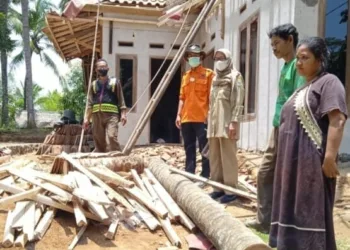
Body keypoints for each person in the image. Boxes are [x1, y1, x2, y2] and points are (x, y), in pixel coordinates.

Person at [269, 37, 347, 250]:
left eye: (305, 58)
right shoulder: (302, 88)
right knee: (292, 210)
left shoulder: (329, 82)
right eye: (298, 58)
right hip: (291, 163)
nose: (300, 63)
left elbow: (337, 119)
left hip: (312, 163)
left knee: (310, 210)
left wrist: (330, 157)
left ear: (320, 60)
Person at [246, 23, 305, 232]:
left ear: (290, 40)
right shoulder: (286, 66)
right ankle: (266, 221)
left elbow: (299, 101)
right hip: (278, 126)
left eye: (277, 43)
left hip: (290, 129)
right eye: (271, 45)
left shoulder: (298, 66)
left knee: (279, 176)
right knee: (267, 173)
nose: (274, 49)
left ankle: (282, 223)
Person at [207, 49, 245, 204]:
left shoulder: (235, 77)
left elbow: (238, 101)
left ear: (228, 59)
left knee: (228, 156)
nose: (218, 60)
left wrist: (234, 122)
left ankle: (230, 190)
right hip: (214, 123)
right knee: (214, 156)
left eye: (222, 58)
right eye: (216, 58)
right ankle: (217, 188)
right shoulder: (215, 78)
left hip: (228, 123)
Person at [175, 44, 214, 178]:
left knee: (204, 148)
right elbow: (181, 98)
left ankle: (205, 175)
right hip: (186, 118)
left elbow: (211, 98)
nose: (193, 58)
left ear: (201, 57)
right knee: (189, 148)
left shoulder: (208, 74)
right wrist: (178, 115)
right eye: (191, 56)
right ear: (187, 58)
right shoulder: (185, 76)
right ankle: (189, 174)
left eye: (196, 56)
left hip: (202, 118)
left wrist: (209, 115)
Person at [84, 59, 127, 152]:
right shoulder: (93, 84)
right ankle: (101, 157)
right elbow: (90, 102)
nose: (102, 68)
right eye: (100, 67)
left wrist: (123, 114)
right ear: (96, 70)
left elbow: (121, 99)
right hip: (96, 116)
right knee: (98, 139)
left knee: (112, 136)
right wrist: (87, 118)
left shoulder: (115, 82)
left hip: (112, 115)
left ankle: (117, 156)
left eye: (104, 66)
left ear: (108, 68)